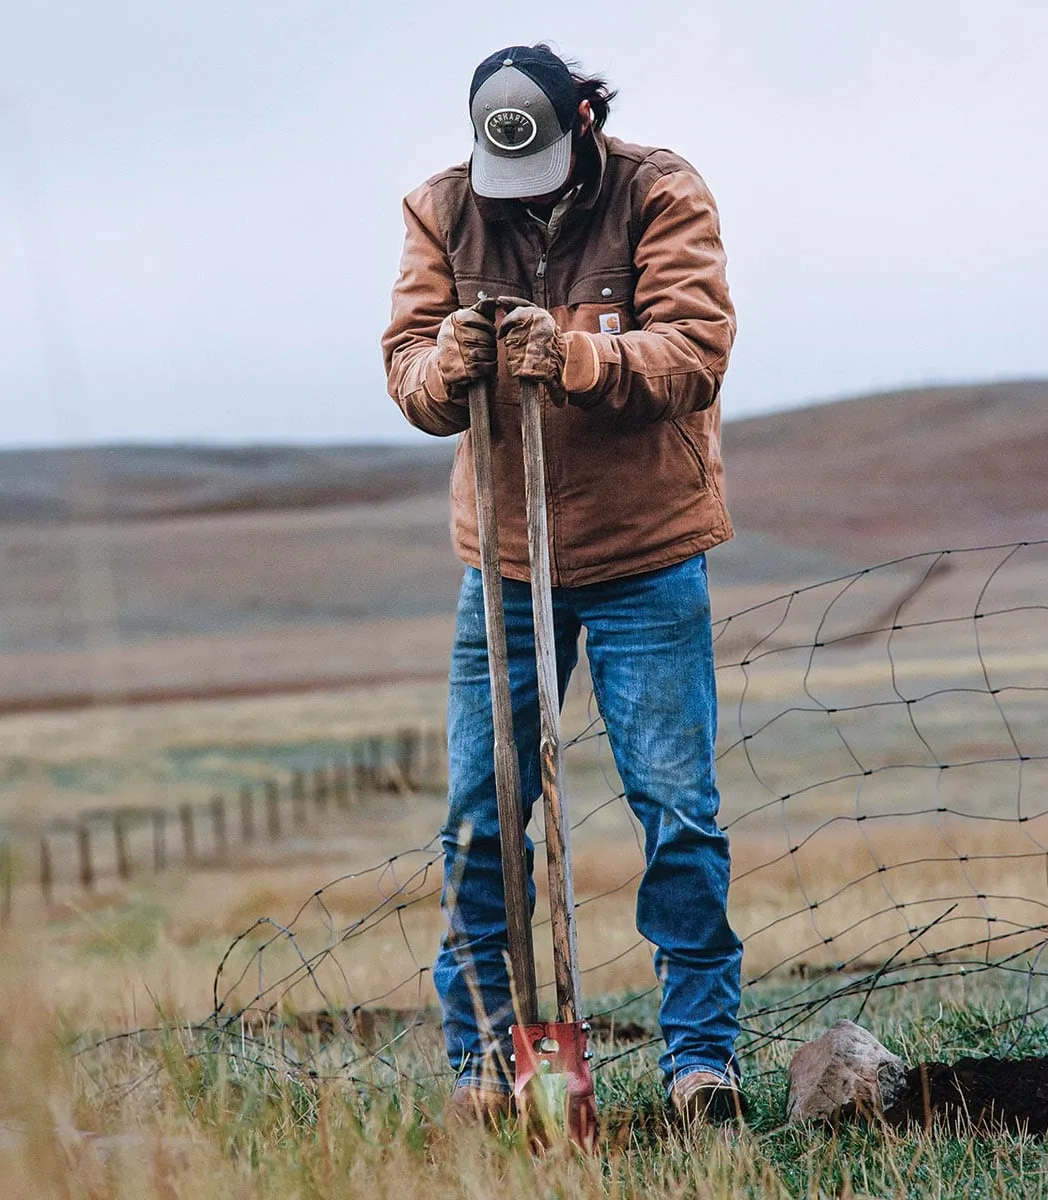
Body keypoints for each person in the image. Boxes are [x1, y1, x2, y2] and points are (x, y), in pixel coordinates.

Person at [382, 44, 745, 1125]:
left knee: (676, 812)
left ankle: (700, 1065)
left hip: (644, 553)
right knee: (482, 818)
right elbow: (407, 371)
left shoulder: (660, 191)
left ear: (585, 118)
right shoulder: (445, 210)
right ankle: (489, 1068)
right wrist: (449, 363)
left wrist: (581, 360)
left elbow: (696, 348)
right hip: (502, 563)